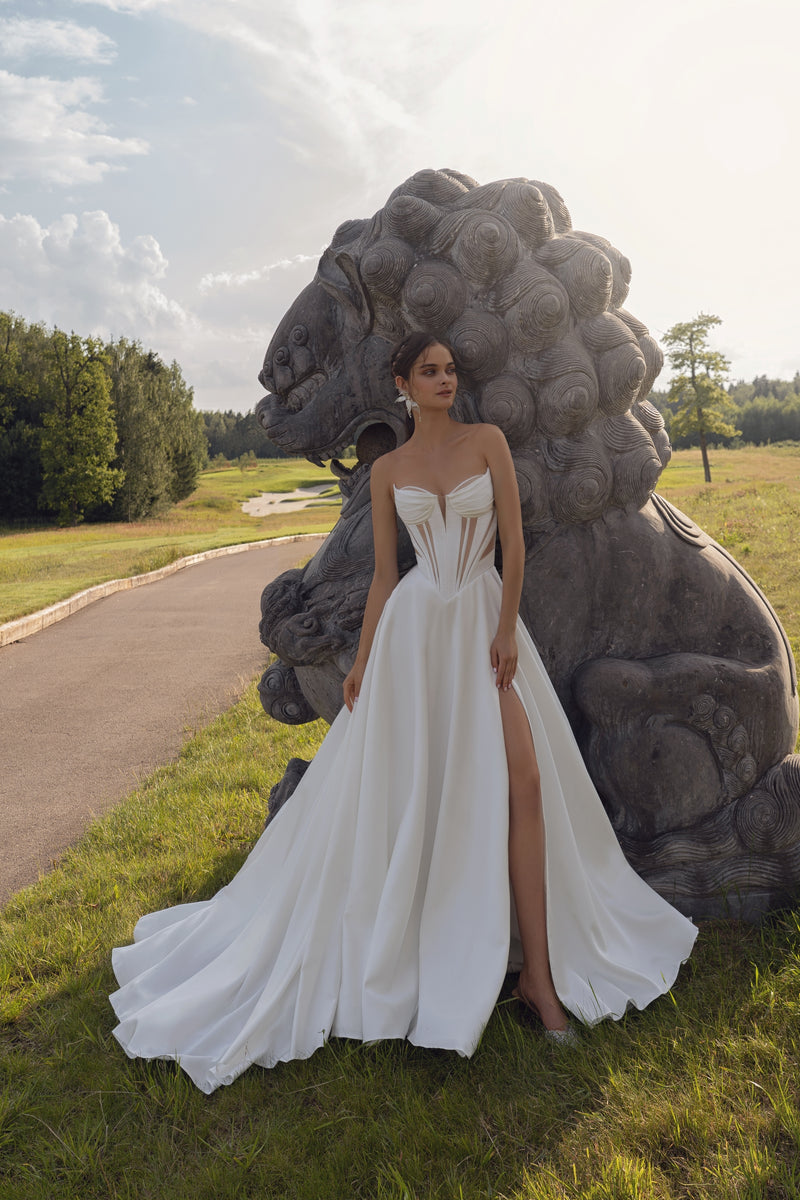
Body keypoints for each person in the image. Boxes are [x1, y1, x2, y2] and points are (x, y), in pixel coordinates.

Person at [110, 332, 697, 1093]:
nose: (446, 379)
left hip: (486, 623)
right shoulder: (388, 471)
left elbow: (512, 547)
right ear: (404, 385)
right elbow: (388, 576)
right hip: (417, 637)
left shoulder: (488, 442)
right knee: (425, 793)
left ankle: (541, 978)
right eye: (431, 371)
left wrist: (504, 627)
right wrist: (364, 659)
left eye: (452, 368)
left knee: (525, 786)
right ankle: (442, 950)